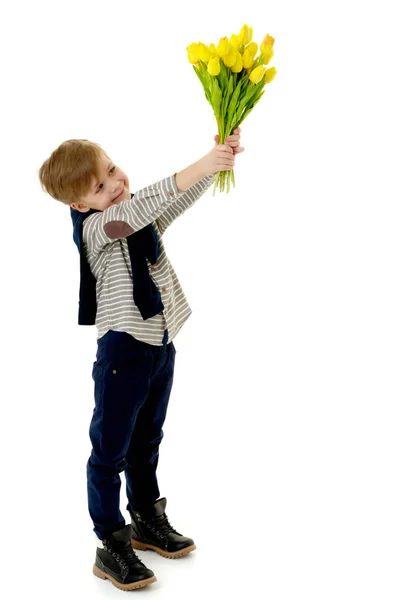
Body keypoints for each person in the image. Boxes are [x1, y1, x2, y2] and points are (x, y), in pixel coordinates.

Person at [38, 129, 244, 591]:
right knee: (110, 451)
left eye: (112, 169)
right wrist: (203, 162)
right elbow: (138, 208)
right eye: (99, 186)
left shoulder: (136, 219)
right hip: (123, 353)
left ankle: (147, 519)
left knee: (148, 437)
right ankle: (111, 543)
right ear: (80, 206)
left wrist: (217, 162)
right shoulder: (100, 228)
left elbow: (166, 203)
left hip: (159, 344)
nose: (114, 183)